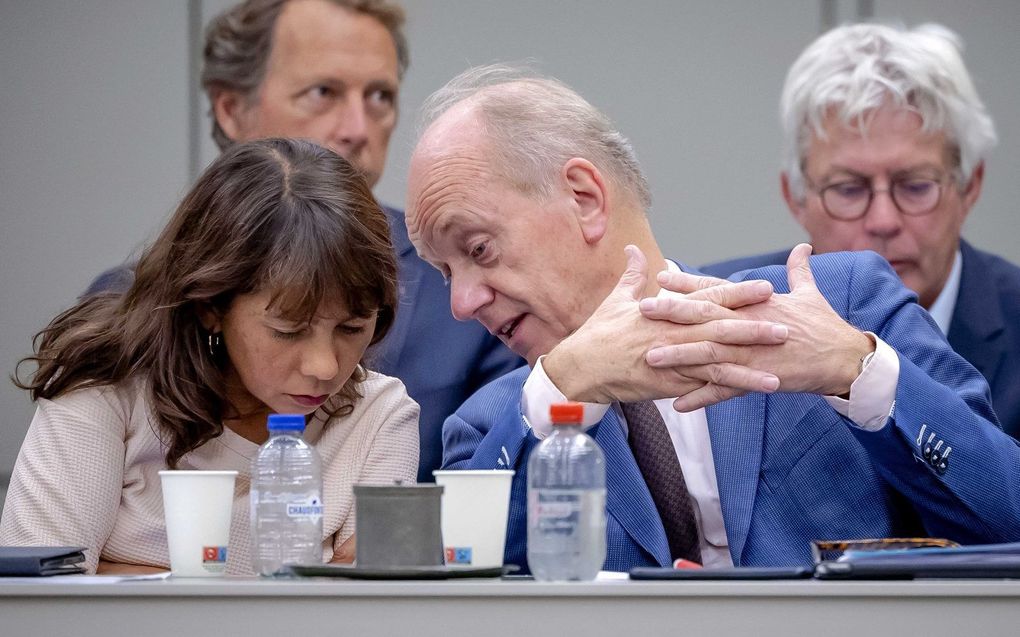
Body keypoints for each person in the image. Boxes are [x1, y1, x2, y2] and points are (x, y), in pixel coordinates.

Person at [406, 64, 1020, 573]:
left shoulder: (841, 303)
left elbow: (1006, 514)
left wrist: (856, 370)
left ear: (584, 199)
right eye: (444, 272)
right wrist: (561, 388)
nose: (463, 303)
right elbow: (462, 586)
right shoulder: (496, 425)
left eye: (478, 249)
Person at [84, 0, 522, 482]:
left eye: (379, 96)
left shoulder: (464, 287)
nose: (357, 128)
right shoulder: (133, 306)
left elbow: (504, 492)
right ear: (232, 109)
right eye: (322, 92)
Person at [0, 139, 419, 575]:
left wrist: (121, 572)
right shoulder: (108, 389)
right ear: (210, 307)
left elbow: (369, 611)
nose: (325, 366)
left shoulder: (380, 415)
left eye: (352, 328)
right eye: (288, 331)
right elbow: (42, 600)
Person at [701, 23, 1020, 438]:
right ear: (795, 197)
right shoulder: (723, 314)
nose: (884, 220)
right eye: (848, 190)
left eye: (915, 186)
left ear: (969, 186)